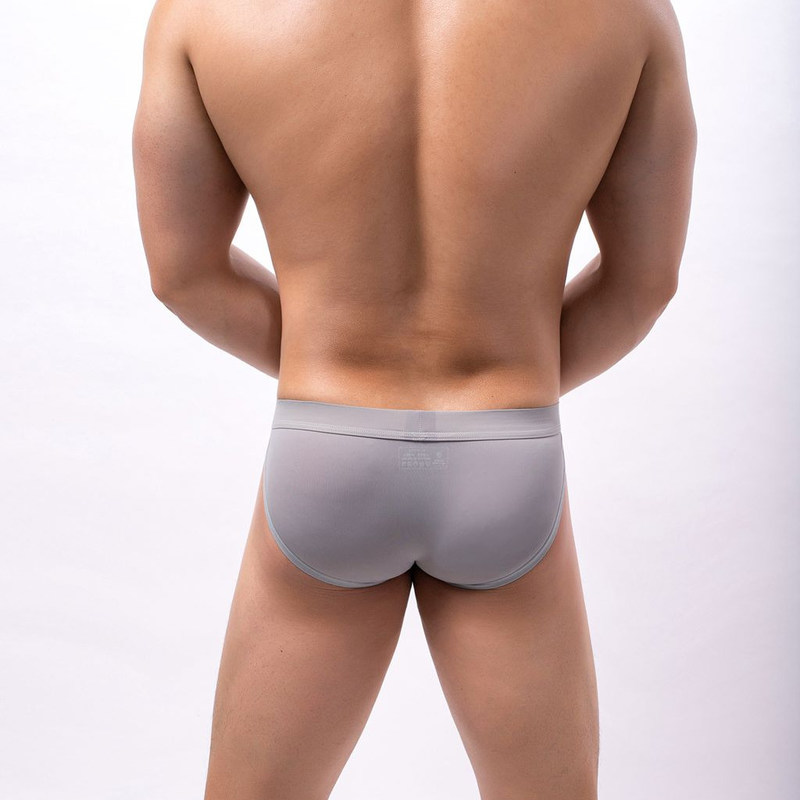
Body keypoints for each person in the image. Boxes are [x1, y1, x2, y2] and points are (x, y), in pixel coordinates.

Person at [131, 0, 696, 797]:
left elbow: (182, 273)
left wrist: (326, 378)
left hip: (324, 451)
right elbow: (645, 283)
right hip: (509, 455)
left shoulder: (204, 12)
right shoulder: (629, 13)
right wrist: (504, 397)